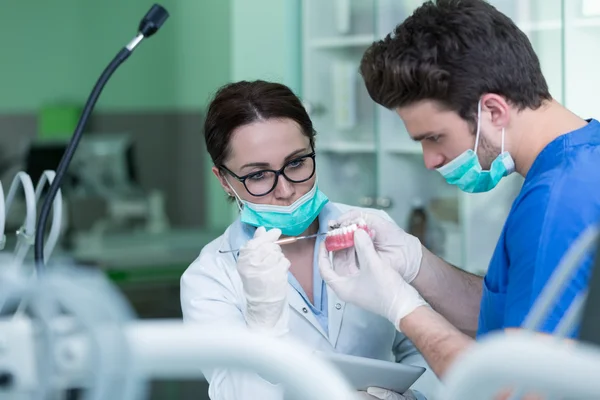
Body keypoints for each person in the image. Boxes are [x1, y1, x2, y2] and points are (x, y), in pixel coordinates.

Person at [318, 0, 600, 385]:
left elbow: (516, 390)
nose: (430, 160)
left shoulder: (556, 202)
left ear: (494, 111)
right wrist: (415, 263)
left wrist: (403, 308)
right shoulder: (582, 157)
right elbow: (509, 314)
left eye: (435, 137)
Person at [180, 80, 440, 400]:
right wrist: (265, 326)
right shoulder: (209, 277)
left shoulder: (373, 229)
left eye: (296, 163)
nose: (286, 190)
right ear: (224, 180)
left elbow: (423, 346)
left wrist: (414, 397)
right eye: (258, 175)